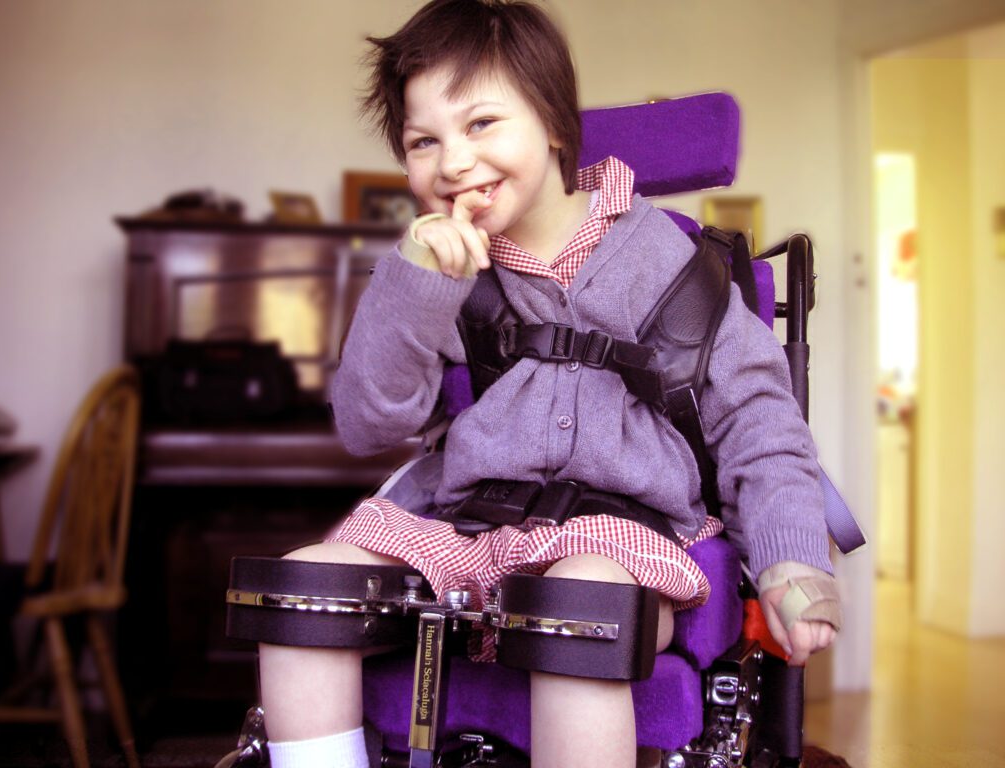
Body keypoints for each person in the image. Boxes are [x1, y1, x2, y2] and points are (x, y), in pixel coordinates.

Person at [258, 2, 841, 767]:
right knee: (304, 584)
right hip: (467, 529)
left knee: (578, 597)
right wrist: (412, 286)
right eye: (422, 141)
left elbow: (761, 426)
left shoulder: (677, 266)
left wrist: (792, 558)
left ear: (555, 126)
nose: (453, 164)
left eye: (481, 125)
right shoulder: (443, 270)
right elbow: (369, 424)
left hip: (620, 539)